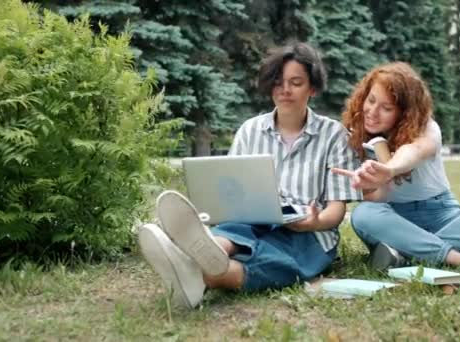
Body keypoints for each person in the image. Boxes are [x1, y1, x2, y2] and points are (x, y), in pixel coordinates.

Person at [137, 42, 359, 309]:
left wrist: (314, 222)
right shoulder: (249, 130)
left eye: (296, 82)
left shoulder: (334, 135)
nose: (285, 90)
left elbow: (336, 210)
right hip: (251, 223)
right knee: (233, 230)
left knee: (277, 263)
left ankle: (190, 268)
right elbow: (230, 192)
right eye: (278, 82)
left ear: (312, 88)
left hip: (309, 236)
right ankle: (206, 250)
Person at [332, 62, 460, 271]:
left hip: (444, 216)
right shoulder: (353, 137)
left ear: (404, 113)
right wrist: (368, 186)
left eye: (386, 108)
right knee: (363, 214)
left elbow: (414, 151)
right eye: (371, 100)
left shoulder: (427, 128)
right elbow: (376, 199)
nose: (372, 112)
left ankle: (405, 255)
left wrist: (390, 169)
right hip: (394, 223)